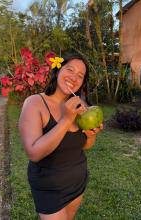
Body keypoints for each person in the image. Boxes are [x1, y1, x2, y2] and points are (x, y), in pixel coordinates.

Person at [19, 53, 103, 220]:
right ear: (58, 71)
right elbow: (34, 153)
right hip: (49, 187)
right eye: (70, 69)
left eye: (80, 75)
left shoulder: (81, 105)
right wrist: (67, 119)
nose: (74, 77)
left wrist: (91, 135)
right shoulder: (34, 103)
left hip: (77, 182)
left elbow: (85, 145)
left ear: (82, 82)